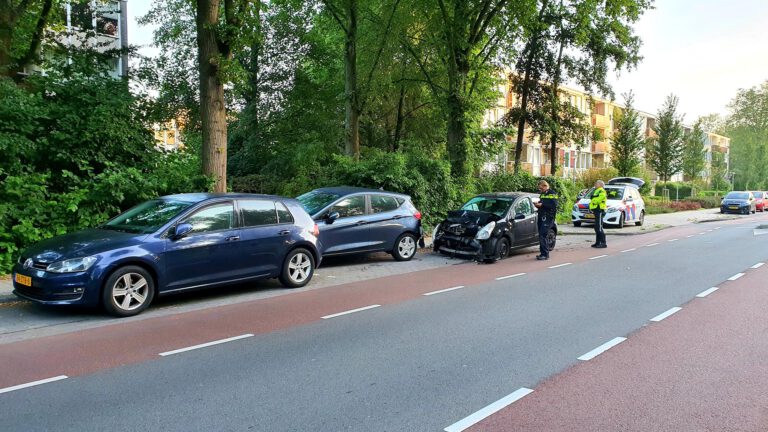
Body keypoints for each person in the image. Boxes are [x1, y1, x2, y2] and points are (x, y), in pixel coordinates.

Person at [533, 180, 558, 260]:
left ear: (544, 186)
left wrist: (542, 205)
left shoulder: (552, 193)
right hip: (541, 216)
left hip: (548, 218)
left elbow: (554, 205)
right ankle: (542, 253)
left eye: (541, 188)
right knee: (541, 235)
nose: (540, 190)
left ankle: (545, 254)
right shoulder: (543, 194)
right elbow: (542, 202)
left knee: (543, 235)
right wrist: (537, 204)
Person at [590, 180, 607, 248]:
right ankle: (597, 242)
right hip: (596, 210)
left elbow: (600, 198)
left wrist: (593, 201)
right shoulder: (597, 190)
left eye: (596, 183)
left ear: (600, 184)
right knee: (597, 227)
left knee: (599, 227)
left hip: (599, 209)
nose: (595, 184)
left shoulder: (601, 190)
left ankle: (603, 243)